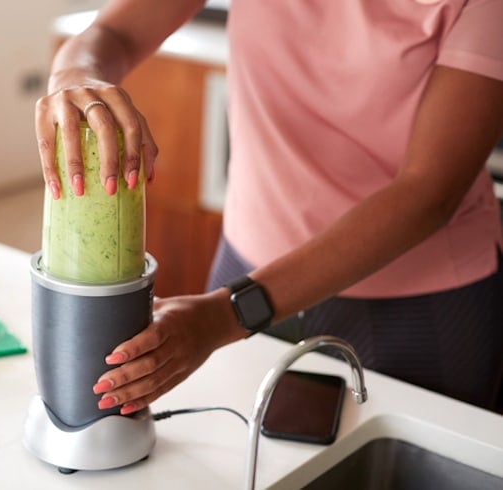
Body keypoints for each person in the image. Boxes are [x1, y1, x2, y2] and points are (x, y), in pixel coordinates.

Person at [35, 0, 503, 413]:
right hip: (244, 272)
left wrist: (225, 315)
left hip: (419, 306)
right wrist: (76, 79)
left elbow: (429, 191)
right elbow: (113, 33)